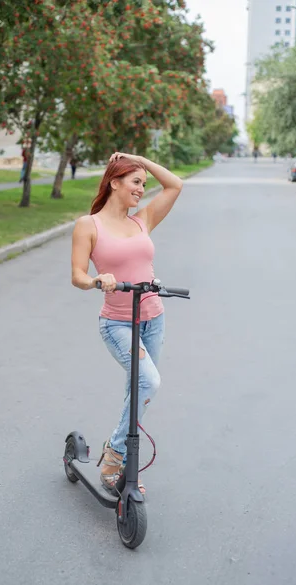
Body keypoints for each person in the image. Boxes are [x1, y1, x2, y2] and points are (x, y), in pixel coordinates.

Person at [71, 152, 183, 495]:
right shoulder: (88, 225)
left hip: (154, 320)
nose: (141, 189)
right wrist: (96, 280)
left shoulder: (142, 220)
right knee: (147, 383)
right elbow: (77, 275)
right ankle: (115, 455)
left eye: (144, 184)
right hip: (118, 323)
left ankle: (120, 463)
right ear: (114, 182)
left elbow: (175, 184)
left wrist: (139, 160)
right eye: (135, 182)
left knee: (136, 391)